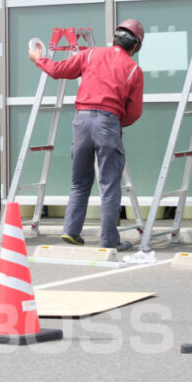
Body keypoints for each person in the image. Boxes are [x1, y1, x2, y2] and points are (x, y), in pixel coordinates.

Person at [28, 20, 145, 251]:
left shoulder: (90, 54)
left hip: (81, 121)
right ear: (135, 47)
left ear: (114, 38)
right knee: (110, 184)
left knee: (80, 181)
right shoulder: (133, 69)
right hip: (108, 122)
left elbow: (57, 70)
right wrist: (115, 123)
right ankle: (109, 240)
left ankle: (71, 231)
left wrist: (38, 58)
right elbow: (134, 112)